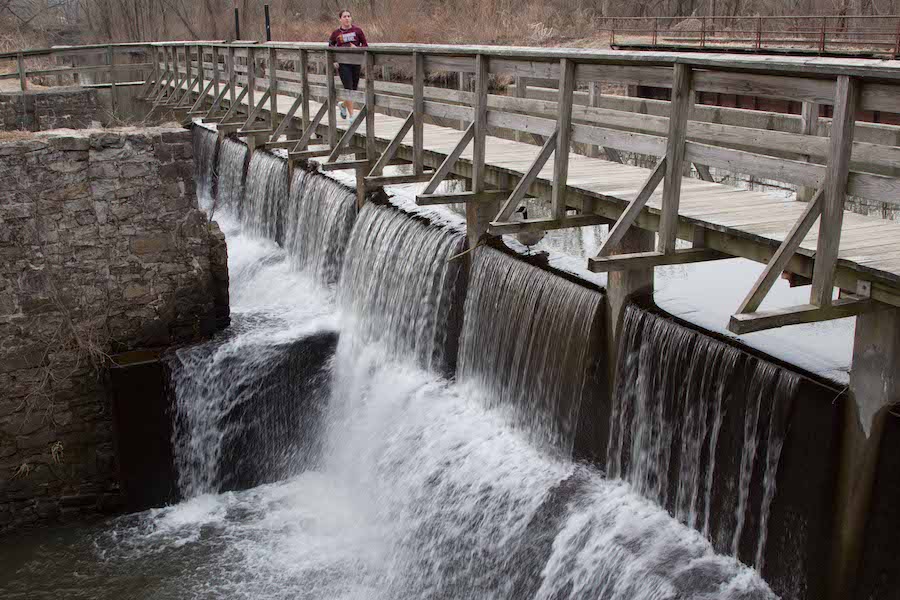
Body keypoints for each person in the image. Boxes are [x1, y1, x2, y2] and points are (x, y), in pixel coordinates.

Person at [328, 10, 368, 120]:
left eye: (349, 16)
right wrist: (334, 60)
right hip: (343, 64)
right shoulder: (336, 33)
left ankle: (343, 105)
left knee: (353, 90)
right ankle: (352, 116)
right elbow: (330, 46)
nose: (347, 18)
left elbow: (365, 45)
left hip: (355, 62)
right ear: (340, 19)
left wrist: (357, 48)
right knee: (348, 88)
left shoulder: (358, 31)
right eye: (344, 16)